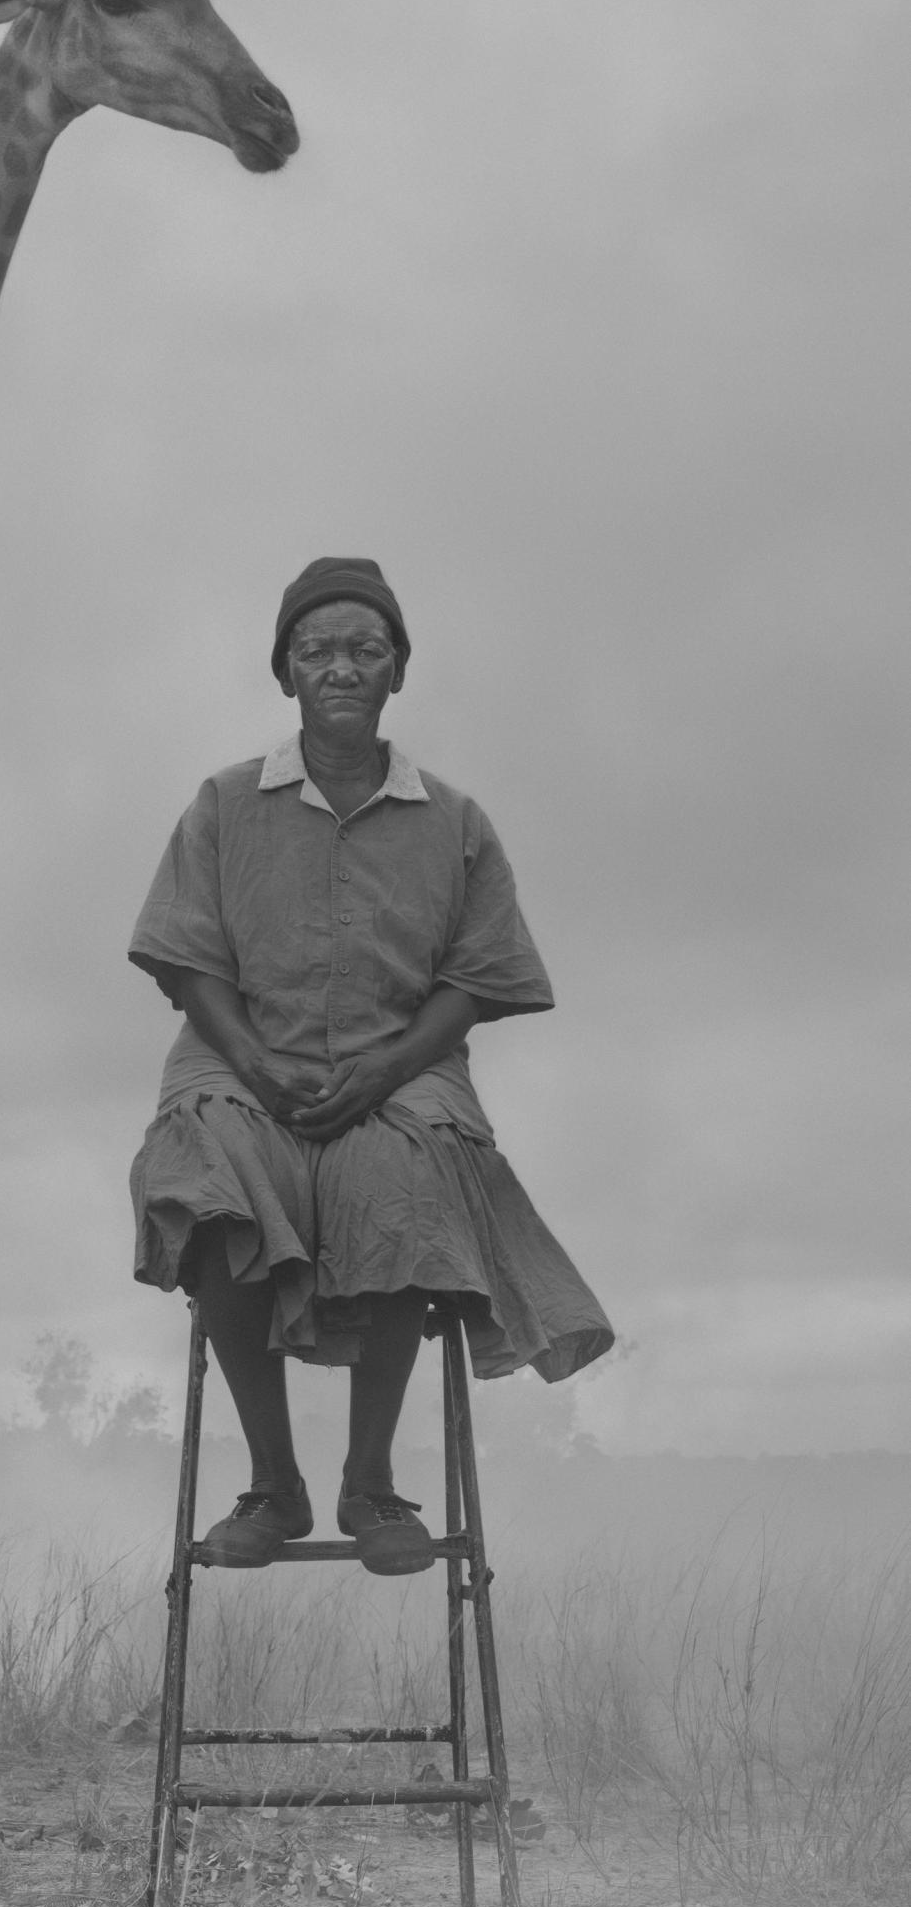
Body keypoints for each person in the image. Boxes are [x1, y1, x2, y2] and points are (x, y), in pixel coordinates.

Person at [128, 558, 613, 1572]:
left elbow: (478, 976)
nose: (339, 668)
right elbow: (183, 959)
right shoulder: (222, 804)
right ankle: (274, 1484)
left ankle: (368, 1484)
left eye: (363, 650)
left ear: (395, 670)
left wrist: (387, 1066)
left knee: (407, 1177)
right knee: (203, 1167)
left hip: (404, 1065)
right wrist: (256, 1063)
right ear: (283, 672)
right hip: (237, 1054)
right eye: (316, 651)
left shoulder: (452, 819)